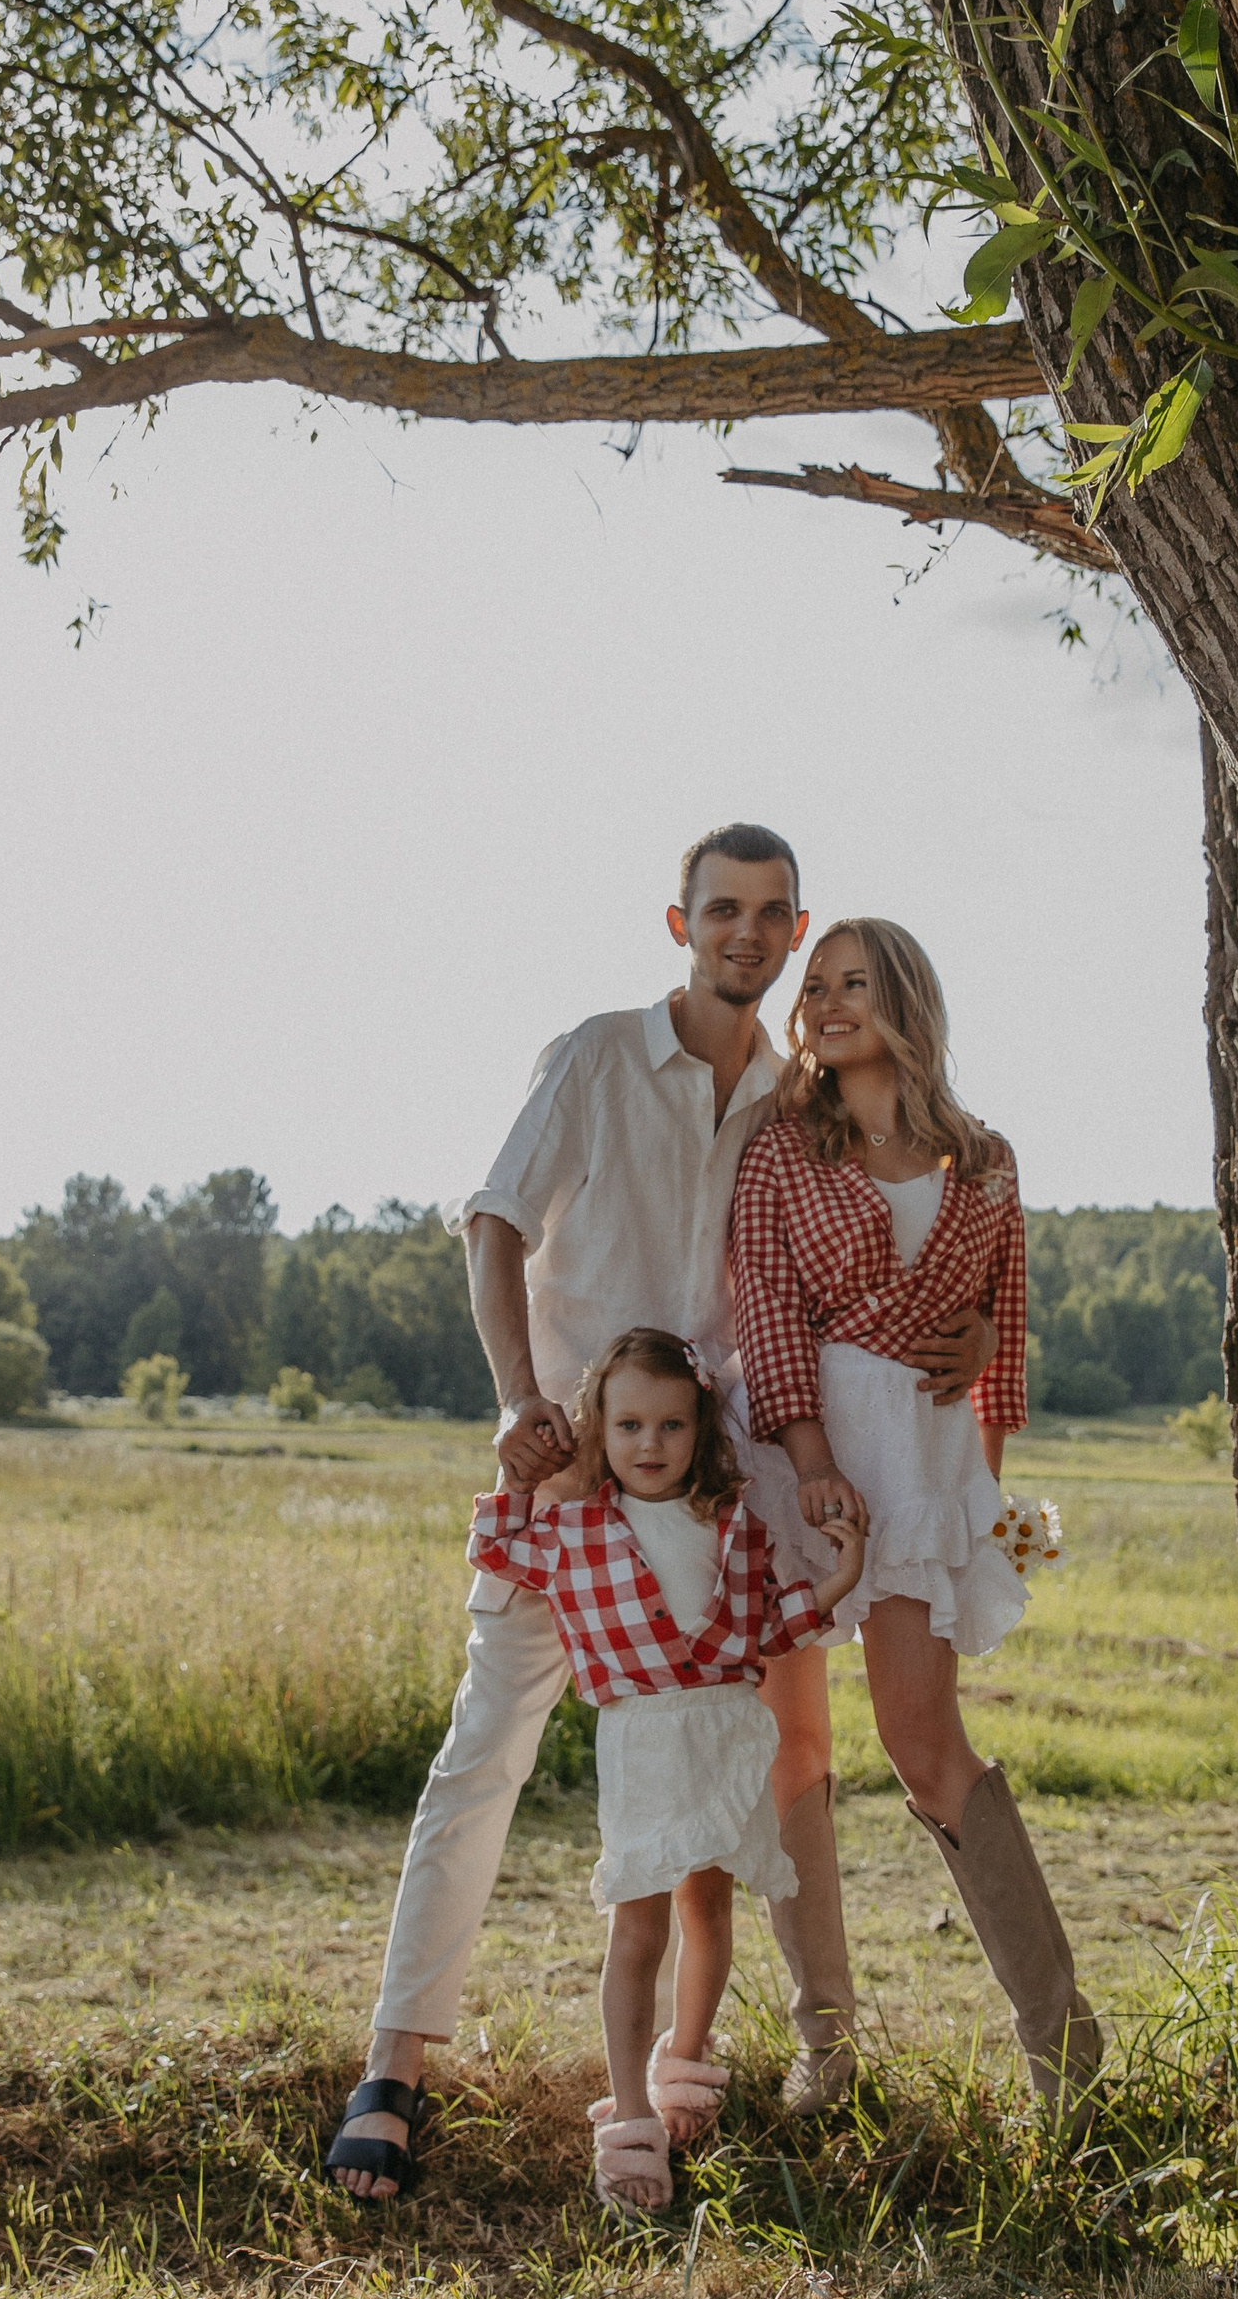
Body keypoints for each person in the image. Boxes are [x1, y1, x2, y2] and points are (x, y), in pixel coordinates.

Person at [321, 827, 997, 2199]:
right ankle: (394, 2065)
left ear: (795, 930)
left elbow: (905, 1213)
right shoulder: (592, 1059)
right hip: (574, 1474)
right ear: (678, 921)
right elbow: (493, 1220)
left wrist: (980, 1327)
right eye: (719, 911)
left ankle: (685, 2063)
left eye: (768, 915)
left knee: (715, 1768)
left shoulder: (801, 1100)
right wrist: (522, 1401)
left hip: (717, 1499)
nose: (743, 934)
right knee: (484, 1754)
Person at [730, 916, 1103, 2116]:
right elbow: (768, 1311)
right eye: (817, 986)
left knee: (923, 1741)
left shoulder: (983, 1159)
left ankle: (1064, 2048)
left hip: (928, 1465)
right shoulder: (781, 1147)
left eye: (853, 983)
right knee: (795, 1743)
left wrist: (982, 1475)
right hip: (806, 1453)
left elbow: (1004, 1330)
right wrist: (811, 1458)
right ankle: (823, 2048)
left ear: (904, 998)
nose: (826, 1003)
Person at [469, 1327, 868, 2210]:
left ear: (702, 1432)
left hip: (726, 1736)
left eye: (672, 1427)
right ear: (600, 1433)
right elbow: (496, 1552)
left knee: (712, 1907)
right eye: (630, 1427)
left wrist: (842, 1579)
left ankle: (687, 2057)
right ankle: (632, 2115)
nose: (651, 1446)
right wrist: (517, 1477)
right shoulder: (573, 1531)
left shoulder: (739, 1529)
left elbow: (773, 1628)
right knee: (639, 1925)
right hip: (645, 1742)